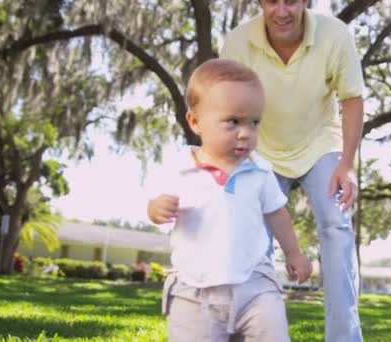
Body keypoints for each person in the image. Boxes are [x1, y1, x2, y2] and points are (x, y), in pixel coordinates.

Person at [219, 1, 365, 341]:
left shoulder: (334, 35)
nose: (282, 11)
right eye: (272, 1)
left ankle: (344, 337)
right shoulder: (237, 43)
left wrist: (347, 163)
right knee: (253, 239)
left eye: (291, 0)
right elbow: (224, 105)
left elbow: (352, 99)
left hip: (319, 144)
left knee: (336, 224)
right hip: (260, 148)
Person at [147, 58, 312, 341]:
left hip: (254, 284)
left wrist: (294, 253)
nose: (246, 133)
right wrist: (156, 209)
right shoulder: (178, 167)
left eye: (254, 122)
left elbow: (277, 214)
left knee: (272, 332)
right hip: (194, 290)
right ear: (195, 121)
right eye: (233, 122)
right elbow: (153, 204)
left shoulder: (260, 170)